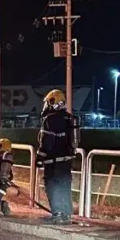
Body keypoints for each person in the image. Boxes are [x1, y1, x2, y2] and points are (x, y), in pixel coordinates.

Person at [35, 89, 77, 224]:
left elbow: (46, 141)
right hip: (66, 161)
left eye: (48, 102)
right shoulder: (69, 117)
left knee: (52, 186)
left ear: (53, 102)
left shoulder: (50, 119)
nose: (46, 105)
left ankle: (57, 214)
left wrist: (39, 157)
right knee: (64, 185)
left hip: (53, 160)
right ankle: (66, 214)